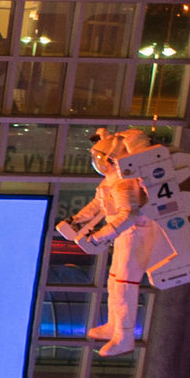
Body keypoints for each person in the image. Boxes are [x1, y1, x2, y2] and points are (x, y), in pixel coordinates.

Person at [58, 128, 153, 357]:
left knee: (123, 286)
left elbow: (128, 215)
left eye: (103, 159)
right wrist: (77, 220)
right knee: (114, 283)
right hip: (123, 236)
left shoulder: (124, 183)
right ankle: (114, 326)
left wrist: (102, 235)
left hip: (133, 236)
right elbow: (98, 205)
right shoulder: (113, 181)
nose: (99, 164)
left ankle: (125, 336)